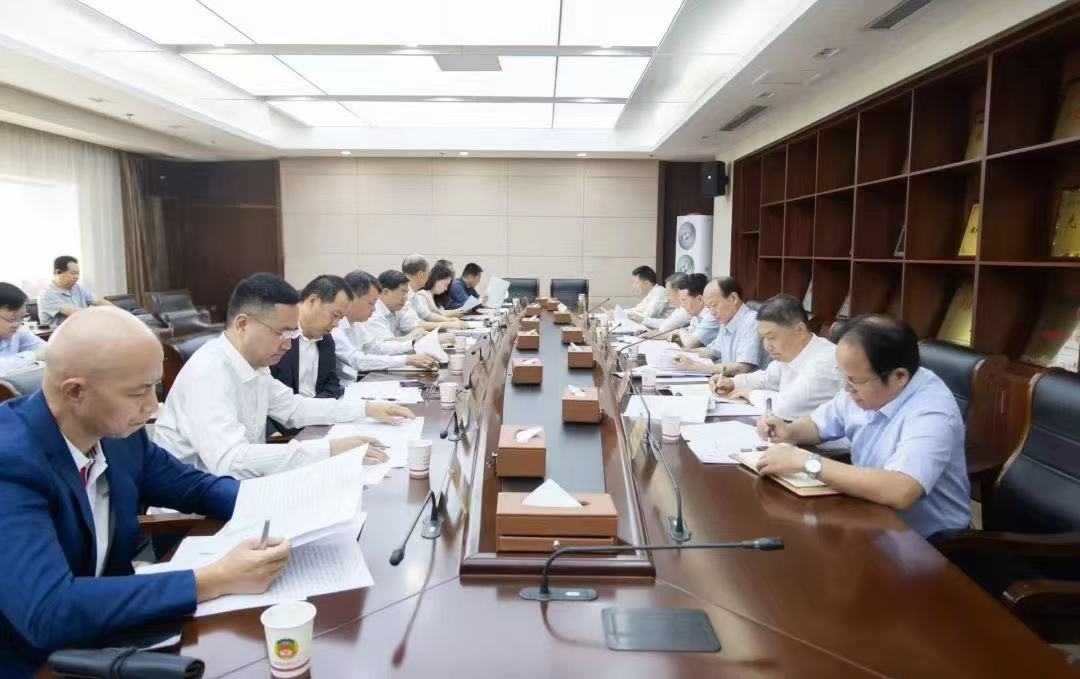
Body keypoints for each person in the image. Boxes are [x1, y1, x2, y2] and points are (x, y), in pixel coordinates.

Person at [0, 307, 291, 675]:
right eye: (139, 392)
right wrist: (216, 578)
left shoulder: (118, 434)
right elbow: (48, 611)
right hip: (38, 661)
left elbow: (194, 487)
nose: (153, 407)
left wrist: (283, 502)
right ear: (75, 391)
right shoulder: (11, 463)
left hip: (115, 630)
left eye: (155, 388)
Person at [154, 273, 410, 478]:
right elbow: (231, 461)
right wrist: (329, 450)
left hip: (244, 489)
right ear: (242, 324)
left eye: (292, 334)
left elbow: (294, 408)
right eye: (282, 333)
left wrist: (367, 409)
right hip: (197, 515)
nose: (288, 344)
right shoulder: (208, 372)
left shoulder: (254, 365)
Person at [754, 314, 970, 537]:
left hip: (925, 540)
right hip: (868, 515)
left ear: (899, 376)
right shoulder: (863, 384)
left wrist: (808, 463)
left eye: (855, 381)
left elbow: (901, 490)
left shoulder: (932, 411)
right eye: (844, 377)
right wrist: (788, 431)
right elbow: (819, 424)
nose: (847, 389)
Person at [710, 293, 840, 419]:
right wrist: (733, 382)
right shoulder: (791, 352)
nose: (767, 347)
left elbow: (787, 407)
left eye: (771, 337)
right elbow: (766, 378)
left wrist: (749, 394)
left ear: (800, 330)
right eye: (763, 338)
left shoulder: (824, 362)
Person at [333, 270, 440, 380]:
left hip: (357, 381)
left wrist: (412, 344)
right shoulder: (335, 327)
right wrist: (406, 359)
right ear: (352, 298)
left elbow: (377, 347)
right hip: (347, 386)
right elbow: (357, 360)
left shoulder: (357, 324)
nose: (374, 309)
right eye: (371, 303)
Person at [270, 275, 352, 400]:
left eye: (340, 318)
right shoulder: (276, 333)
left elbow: (332, 384)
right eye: (335, 315)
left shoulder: (327, 340)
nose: (336, 324)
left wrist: (316, 406)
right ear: (313, 301)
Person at [673, 277, 761, 376]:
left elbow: (742, 368)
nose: (712, 312)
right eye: (709, 307)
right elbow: (713, 352)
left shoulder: (752, 322)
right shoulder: (726, 319)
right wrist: (680, 353)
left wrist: (698, 367)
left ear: (733, 298)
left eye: (714, 305)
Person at [369, 270, 447, 339]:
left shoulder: (396, 308)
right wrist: (413, 339)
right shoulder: (374, 313)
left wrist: (426, 336)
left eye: (406, 293)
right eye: (402, 293)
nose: (405, 299)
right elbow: (386, 344)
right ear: (386, 292)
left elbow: (414, 326)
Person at [37, 256, 112, 327]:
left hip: (82, 330)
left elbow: (98, 301)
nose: (76, 277)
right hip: (59, 334)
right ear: (58, 272)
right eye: (73, 273)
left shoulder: (77, 288)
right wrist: (103, 312)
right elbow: (76, 313)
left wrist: (115, 311)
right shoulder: (47, 294)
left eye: (78, 273)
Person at [0, 283, 47, 394]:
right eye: (12, 319)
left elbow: (46, 349)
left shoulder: (18, 330)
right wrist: (33, 356)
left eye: (21, 318)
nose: (17, 324)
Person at [403, 255, 466, 322]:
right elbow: (425, 319)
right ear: (420, 274)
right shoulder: (417, 295)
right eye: (428, 272)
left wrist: (450, 320)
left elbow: (427, 315)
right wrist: (450, 321)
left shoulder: (414, 294)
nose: (430, 276)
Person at [669, 273, 719, 348]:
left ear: (700, 299)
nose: (682, 305)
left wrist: (680, 331)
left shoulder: (712, 315)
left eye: (684, 300)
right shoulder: (697, 316)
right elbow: (687, 334)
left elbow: (691, 344)